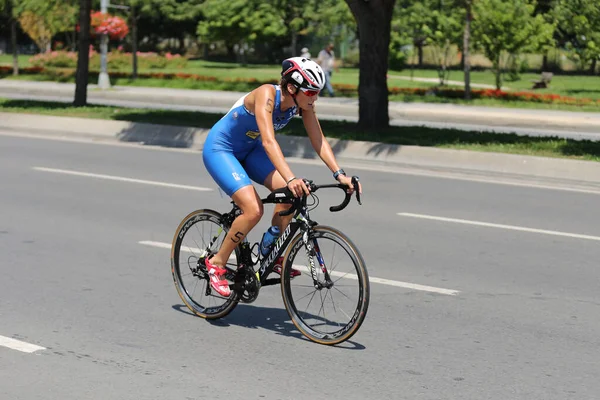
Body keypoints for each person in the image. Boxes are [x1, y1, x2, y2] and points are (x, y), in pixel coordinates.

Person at [202, 57, 362, 296]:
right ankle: (217, 263)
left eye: (317, 93)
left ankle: (270, 250)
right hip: (221, 150)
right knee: (254, 210)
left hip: (250, 151)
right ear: (292, 88)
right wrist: (291, 178)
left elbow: (318, 139)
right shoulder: (266, 94)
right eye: (311, 92)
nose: (314, 98)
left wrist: (340, 175)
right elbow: (268, 141)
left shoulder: (302, 104)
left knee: (289, 199)